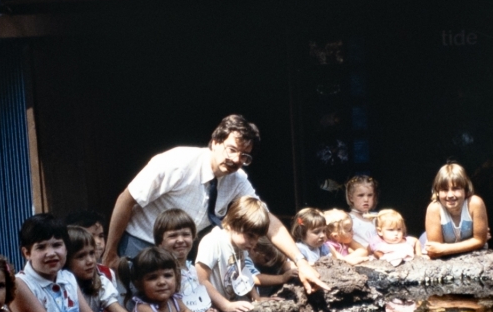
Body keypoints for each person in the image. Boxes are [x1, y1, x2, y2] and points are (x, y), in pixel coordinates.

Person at [102, 114, 327, 293]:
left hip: (181, 252)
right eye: (232, 149)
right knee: (135, 307)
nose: (237, 160)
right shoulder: (176, 162)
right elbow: (126, 199)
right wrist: (110, 252)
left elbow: (267, 219)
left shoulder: (237, 179)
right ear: (215, 142)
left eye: (245, 156)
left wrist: (300, 261)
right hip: (141, 244)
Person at [67, 225, 184, 312]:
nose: (90, 260)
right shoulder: (59, 288)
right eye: (81, 256)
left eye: (91, 253)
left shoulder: (100, 282)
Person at [195, 195, 267, 312]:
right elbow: (201, 279)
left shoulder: (240, 245)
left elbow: (244, 273)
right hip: (211, 309)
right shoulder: (213, 241)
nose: (253, 243)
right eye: (250, 236)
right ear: (232, 224)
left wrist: (256, 298)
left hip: (229, 304)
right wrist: (226, 305)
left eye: (257, 238)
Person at [153, 210, 221, 312]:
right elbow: (170, 311)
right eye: (173, 236)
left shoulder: (193, 269)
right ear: (160, 243)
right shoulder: (164, 275)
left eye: (185, 234)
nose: (180, 240)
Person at [118, 247, 195, 312]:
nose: (162, 282)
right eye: (152, 277)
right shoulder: (144, 309)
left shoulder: (174, 301)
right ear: (139, 284)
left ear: (177, 277)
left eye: (167, 275)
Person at [421, 163, 491, 259]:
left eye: (456, 189)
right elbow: (435, 250)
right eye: (444, 190)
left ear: (465, 190)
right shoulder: (434, 208)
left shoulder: (475, 203)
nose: (450, 195)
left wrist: (445, 249)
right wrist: (472, 242)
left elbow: (479, 241)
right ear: (437, 192)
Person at [345, 175, 379, 250]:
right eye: (361, 195)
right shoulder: (347, 219)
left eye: (370, 195)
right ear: (351, 197)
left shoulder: (378, 218)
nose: (366, 199)